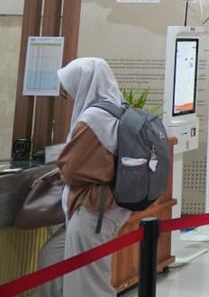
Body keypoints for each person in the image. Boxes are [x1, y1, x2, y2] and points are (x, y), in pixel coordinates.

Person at [35, 58, 132, 297]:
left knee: (88, 284)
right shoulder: (119, 109)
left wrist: (62, 165)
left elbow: (71, 167)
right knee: (53, 259)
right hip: (107, 207)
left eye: (69, 88)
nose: (67, 94)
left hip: (92, 209)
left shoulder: (93, 119)